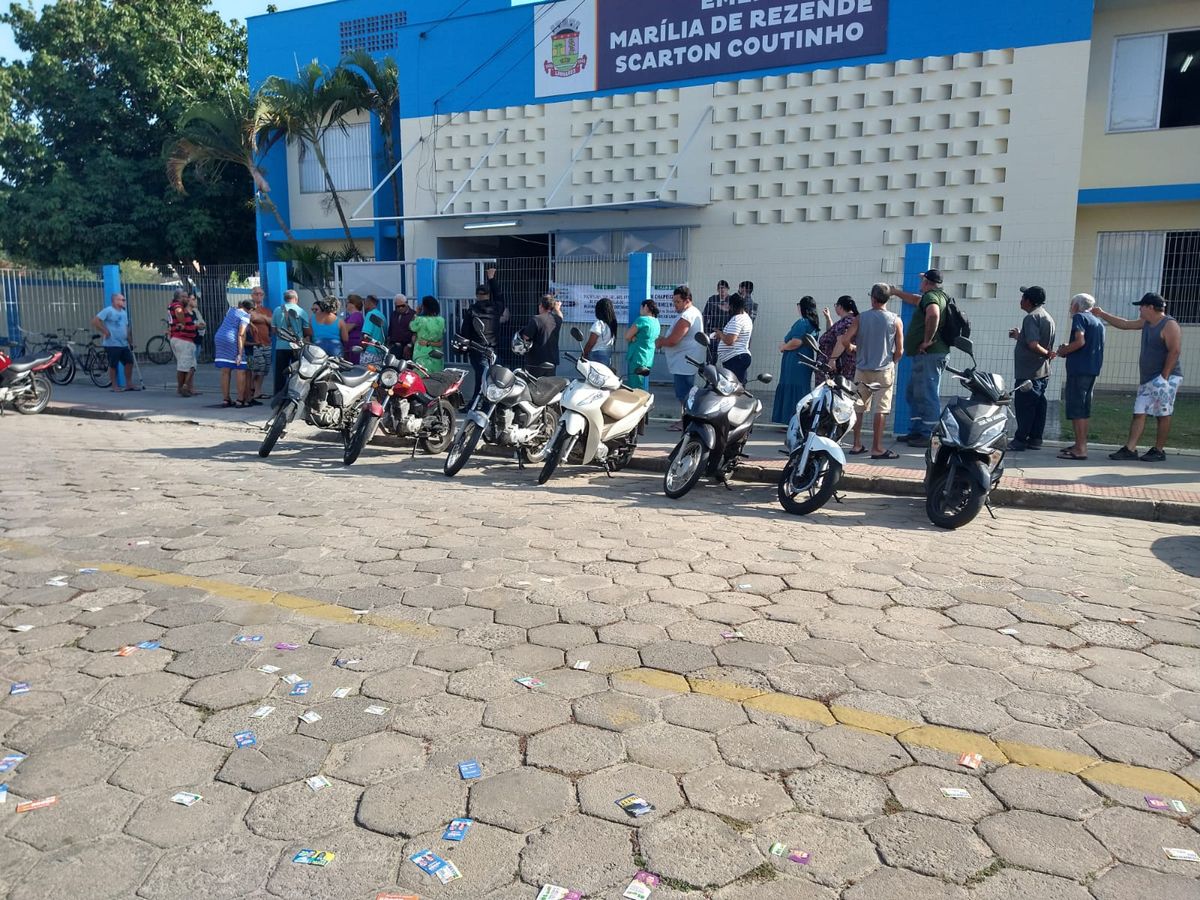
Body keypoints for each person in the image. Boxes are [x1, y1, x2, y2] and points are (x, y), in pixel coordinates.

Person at [1094, 292, 1183, 462]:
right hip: (1148, 378)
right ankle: (1130, 449)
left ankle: (1158, 450)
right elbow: (1125, 324)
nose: (1139, 309)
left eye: (1141, 306)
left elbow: (1175, 351)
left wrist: (1163, 378)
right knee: (1139, 411)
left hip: (1167, 378)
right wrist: (1102, 314)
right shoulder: (1147, 322)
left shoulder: (1169, 325)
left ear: (1150, 307)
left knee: (1162, 413)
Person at [889, 269, 949, 445]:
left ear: (927, 283)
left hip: (929, 354)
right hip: (926, 356)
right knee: (914, 393)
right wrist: (897, 292)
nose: (920, 283)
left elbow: (933, 314)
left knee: (927, 393)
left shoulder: (932, 297)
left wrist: (926, 341)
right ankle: (917, 430)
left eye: (923, 280)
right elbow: (916, 300)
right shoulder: (932, 296)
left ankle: (929, 435)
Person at [847, 284, 904, 459]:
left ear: (872, 298)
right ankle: (877, 448)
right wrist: (892, 362)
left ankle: (856, 444)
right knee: (881, 409)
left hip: (862, 369)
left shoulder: (860, 318)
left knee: (859, 407)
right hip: (884, 369)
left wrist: (852, 349)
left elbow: (845, 339)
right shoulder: (895, 320)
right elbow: (900, 350)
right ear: (888, 299)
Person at [1055, 293, 1105, 460]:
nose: (1070, 308)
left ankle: (1081, 448)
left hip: (1079, 369)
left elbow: (1080, 342)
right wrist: (1069, 348)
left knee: (1077, 409)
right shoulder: (1098, 322)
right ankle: (1079, 443)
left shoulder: (1079, 318)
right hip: (1091, 369)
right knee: (1083, 408)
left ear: (1077, 306)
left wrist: (1063, 351)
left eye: (1071, 304)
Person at [1008, 286, 1057, 451]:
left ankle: (1020, 440)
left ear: (1028, 301)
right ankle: (1035, 438)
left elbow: (1033, 344)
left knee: (1025, 407)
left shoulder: (1031, 317)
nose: (1020, 300)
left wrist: (1047, 354)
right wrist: (1020, 336)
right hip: (1042, 372)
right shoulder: (1047, 317)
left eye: (1023, 297)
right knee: (1038, 405)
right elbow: (1034, 340)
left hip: (1029, 371)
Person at [656, 286, 704, 431]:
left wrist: (660, 341)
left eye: (677, 302)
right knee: (685, 393)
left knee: (684, 394)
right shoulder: (689, 313)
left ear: (687, 301)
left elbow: (673, 340)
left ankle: (686, 422)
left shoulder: (688, 315)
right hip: (685, 360)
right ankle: (686, 420)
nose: (674, 305)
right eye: (674, 302)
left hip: (685, 361)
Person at [772, 296, 821, 424]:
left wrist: (783, 347)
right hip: (805, 359)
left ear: (802, 307)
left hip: (795, 359)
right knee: (801, 387)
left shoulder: (802, 322)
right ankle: (800, 419)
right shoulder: (813, 324)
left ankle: (790, 419)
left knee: (792, 385)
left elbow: (796, 341)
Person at [463, 266, 508, 400]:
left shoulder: (472, 310)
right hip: (492, 349)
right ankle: (477, 403)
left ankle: (479, 404)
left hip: (477, 349)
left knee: (482, 378)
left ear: (477, 296)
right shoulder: (496, 308)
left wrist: (465, 348)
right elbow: (500, 297)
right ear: (488, 295)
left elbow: (465, 331)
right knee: (488, 378)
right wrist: (491, 278)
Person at [92, 293, 138, 392]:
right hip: (112, 343)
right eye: (122, 300)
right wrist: (105, 331)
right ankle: (114, 386)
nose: (124, 302)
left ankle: (129, 384)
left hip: (123, 343)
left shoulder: (124, 313)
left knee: (129, 362)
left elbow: (126, 328)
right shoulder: (108, 310)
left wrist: (130, 341)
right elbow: (95, 321)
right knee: (113, 365)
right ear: (115, 301)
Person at [214, 299, 253, 407]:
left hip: (219, 337)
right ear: (250, 309)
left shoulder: (231, 310)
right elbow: (241, 334)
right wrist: (240, 353)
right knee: (241, 369)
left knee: (225, 370)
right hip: (232, 339)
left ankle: (226, 399)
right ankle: (240, 400)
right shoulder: (246, 316)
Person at [272, 289, 310, 396]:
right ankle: (295, 393)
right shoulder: (301, 311)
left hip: (281, 346)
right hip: (297, 347)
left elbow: (274, 330)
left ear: (285, 299)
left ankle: (279, 395)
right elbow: (307, 331)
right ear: (296, 299)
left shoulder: (277, 310)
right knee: (296, 371)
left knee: (280, 372)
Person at [518, 294, 564, 377]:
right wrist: (557, 309)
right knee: (549, 387)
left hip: (536, 360)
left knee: (533, 386)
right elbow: (561, 316)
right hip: (552, 360)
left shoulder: (536, 319)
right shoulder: (557, 319)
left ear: (541, 305)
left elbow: (526, 336)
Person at [714, 294, 753, 384]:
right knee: (737, 386)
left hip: (735, 358)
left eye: (729, 306)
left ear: (733, 306)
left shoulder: (737, 319)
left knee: (732, 388)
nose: (729, 308)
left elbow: (729, 340)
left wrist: (720, 334)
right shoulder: (746, 318)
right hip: (737, 357)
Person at [821, 295, 860, 382]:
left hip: (842, 366)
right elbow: (832, 335)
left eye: (836, 305)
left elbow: (841, 341)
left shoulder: (846, 321)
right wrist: (828, 318)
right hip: (845, 364)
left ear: (840, 307)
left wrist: (832, 360)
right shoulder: (849, 320)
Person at [168, 288, 199, 396]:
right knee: (184, 366)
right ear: (179, 298)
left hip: (186, 339)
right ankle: (182, 388)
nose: (186, 299)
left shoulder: (177, 306)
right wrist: (182, 322)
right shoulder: (177, 305)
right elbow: (178, 311)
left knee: (191, 365)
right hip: (182, 339)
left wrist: (194, 326)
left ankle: (184, 386)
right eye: (184, 297)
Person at [625, 299, 661, 390]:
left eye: (641, 307)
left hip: (637, 357)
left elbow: (627, 336)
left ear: (645, 307)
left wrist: (632, 338)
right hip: (648, 358)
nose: (639, 310)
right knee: (642, 384)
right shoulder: (656, 322)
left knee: (635, 386)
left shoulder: (641, 320)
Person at [246, 287, 272, 401]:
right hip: (252, 344)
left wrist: (261, 317)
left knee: (264, 369)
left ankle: (257, 391)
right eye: (256, 294)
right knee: (255, 367)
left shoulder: (266, 310)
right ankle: (249, 388)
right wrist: (264, 319)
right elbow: (251, 317)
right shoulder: (247, 309)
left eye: (261, 294)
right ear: (252, 295)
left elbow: (271, 322)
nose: (259, 296)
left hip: (266, 342)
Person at [411, 295, 446, 374]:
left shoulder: (420, 320)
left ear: (424, 307)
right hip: (436, 354)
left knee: (422, 380)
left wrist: (416, 313)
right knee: (436, 380)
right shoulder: (441, 320)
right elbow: (441, 342)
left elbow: (412, 326)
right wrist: (429, 343)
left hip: (422, 355)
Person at [582, 296, 617, 367]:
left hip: (596, 354)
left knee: (593, 377)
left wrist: (584, 353)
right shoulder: (612, 325)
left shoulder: (599, 323)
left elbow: (591, 342)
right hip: (607, 353)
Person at [361, 295, 388, 364]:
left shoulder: (370, 314)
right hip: (380, 352)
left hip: (370, 351)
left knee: (364, 373)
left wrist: (363, 348)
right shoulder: (382, 316)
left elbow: (366, 335)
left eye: (365, 302)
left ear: (369, 302)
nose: (364, 305)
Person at [388, 293, 415, 359]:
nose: (400, 308)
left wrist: (410, 345)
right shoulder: (393, 314)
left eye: (402, 306)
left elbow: (415, 333)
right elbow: (391, 329)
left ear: (407, 303)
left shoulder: (413, 315)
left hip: (408, 348)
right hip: (395, 347)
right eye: (398, 306)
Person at [340, 295, 365, 364]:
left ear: (353, 304)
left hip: (353, 347)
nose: (346, 304)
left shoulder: (356, 315)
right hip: (350, 347)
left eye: (347, 302)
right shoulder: (353, 316)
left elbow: (346, 329)